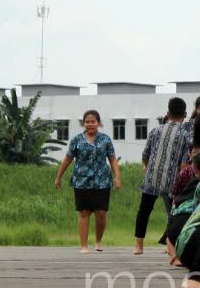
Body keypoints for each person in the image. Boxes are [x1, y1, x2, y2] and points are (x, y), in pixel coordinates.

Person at [54, 109, 122, 253]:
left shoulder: (105, 139)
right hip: (81, 180)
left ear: (98, 123)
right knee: (84, 212)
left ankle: (98, 241)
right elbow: (67, 159)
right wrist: (58, 177)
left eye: (93, 121)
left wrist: (117, 177)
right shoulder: (76, 140)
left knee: (101, 213)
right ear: (83, 123)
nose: (90, 124)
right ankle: (84, 246)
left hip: (102, 181)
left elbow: (112, 159)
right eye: (87, 122)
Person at [135, 97, 191, 255]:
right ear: (184, 114)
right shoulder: (186, 135)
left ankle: (138, 246)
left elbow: (145, 154)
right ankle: (171, 247)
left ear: (167, 113)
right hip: (172, 181)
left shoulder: (155, 130)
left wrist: (147, 166)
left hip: (151, 178)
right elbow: (184, 163)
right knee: (173, 213)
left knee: (144, 210)